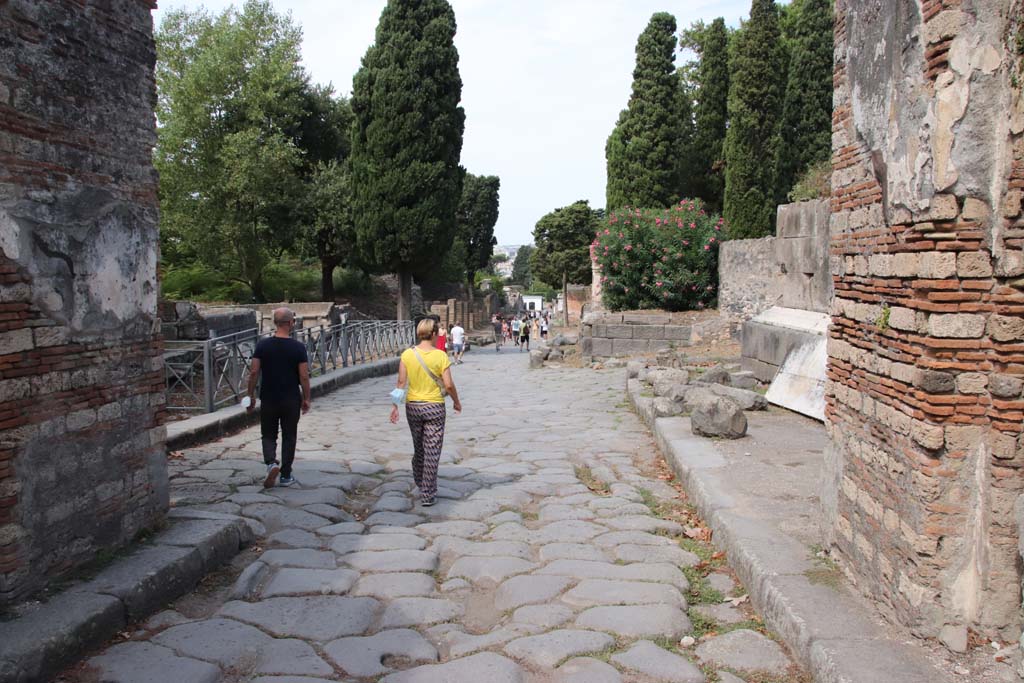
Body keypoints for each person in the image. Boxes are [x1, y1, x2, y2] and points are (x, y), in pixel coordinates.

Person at [390, 318, 462, 506]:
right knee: (433, 450)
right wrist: (456, 401)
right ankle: (428, 493)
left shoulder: (407, 354)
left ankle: (420, 480)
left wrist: (395, 406)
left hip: (413, 406)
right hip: (434, 407)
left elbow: (400, 383)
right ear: (433, 333)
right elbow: (448, 384)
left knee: (419, 448)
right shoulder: (440, 356)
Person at [246, 308, 311, 489]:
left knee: (268, 434)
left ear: (275, 323)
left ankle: (271, 464)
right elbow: (304, 376)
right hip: (291, 398)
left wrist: (249, 395)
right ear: (291, 323)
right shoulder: (298, 347)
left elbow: (253, 372)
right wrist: (307, 398)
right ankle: (286, 475)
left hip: (269, 397)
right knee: (289, 435)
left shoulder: (262, 345)